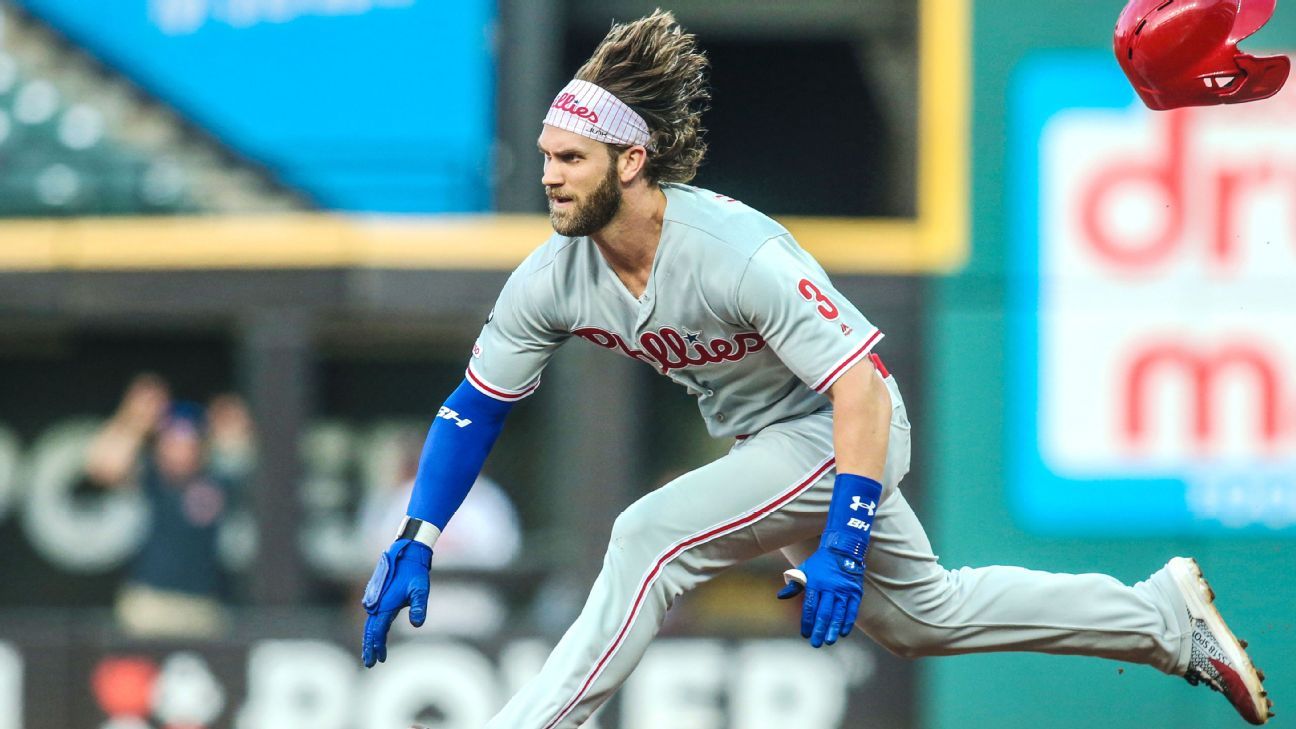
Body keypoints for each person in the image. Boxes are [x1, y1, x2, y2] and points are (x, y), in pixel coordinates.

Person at [360, 11, 1273, 727]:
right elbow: (474, 406)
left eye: (572, 158)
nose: (550, 176)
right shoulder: (553, 276)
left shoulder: (735, 249)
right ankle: (1162, 620)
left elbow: (861, 386)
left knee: (649, 535)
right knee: (924, 618)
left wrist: (846, 531)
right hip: (773, 445)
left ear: (631, 160)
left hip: (849, 428)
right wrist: (420, 534)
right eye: (549, 157)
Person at [86, 374, 254, 638]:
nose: (179, 448)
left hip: (203, 606)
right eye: (172, 439)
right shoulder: (151, 476)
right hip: (150, 603)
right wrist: (134, 419)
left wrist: (236, 427)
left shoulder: (218, 478)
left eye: (188, 440)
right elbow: (102, 466)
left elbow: (265, 473)